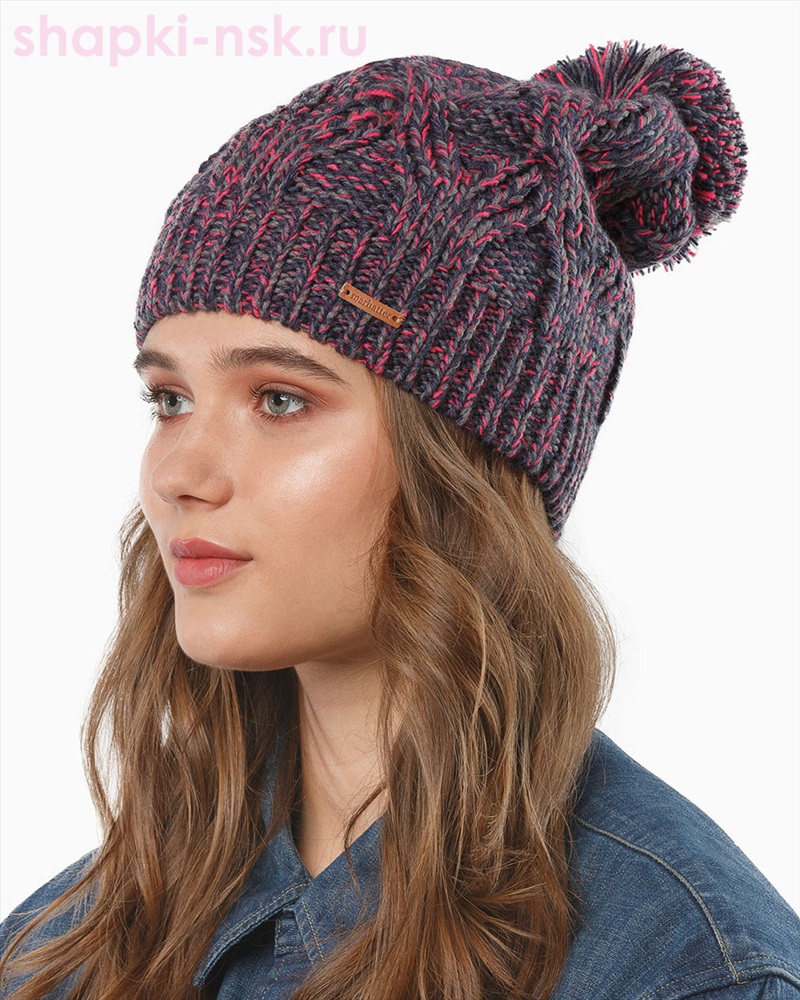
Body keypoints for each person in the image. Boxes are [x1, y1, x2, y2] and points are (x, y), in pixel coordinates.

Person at [0, 39, 798, 1000]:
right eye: (170, 400)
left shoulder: (686, 970)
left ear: (465, 461)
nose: (178, 475)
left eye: (280, 400)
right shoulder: (63, 948)